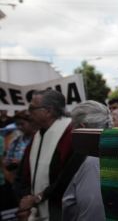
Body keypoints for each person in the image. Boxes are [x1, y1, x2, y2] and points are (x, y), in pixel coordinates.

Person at [16, 89, 77, 221]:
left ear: (48, 111)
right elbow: (24, 173)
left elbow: (67, 178)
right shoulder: (37, 135)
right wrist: (26, 198)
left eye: (32, 108)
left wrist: (38, 198)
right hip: (35, 210)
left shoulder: (70, 134)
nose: (28, 112)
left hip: (59, 210)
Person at [62, 100, 109, 221]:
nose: (71, 133)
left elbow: (93, 213)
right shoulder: (110, 150)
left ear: (82, 128)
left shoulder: (93, 162)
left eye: (73, 127)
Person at [4, 111, 36, 184]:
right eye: (17, 125)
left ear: (32, 123)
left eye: (22, 124)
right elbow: (7, 161)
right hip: (18, 180)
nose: (19, 127)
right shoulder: (16, 141)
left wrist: (22, 163)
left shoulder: (38, 140)